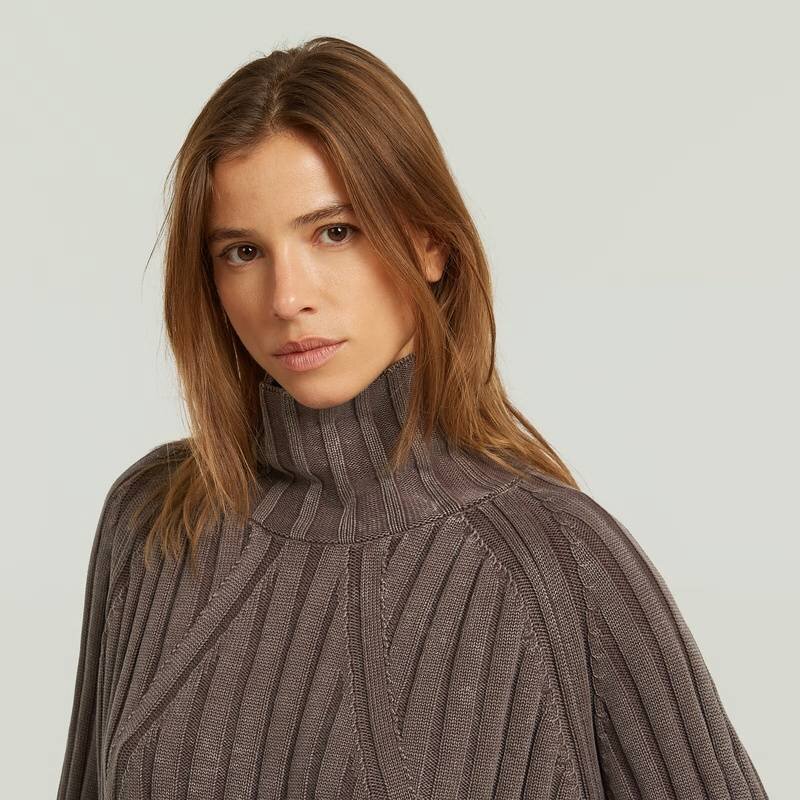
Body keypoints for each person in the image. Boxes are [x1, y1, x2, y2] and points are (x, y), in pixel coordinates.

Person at [57, 36, 769, 800]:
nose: (287, 297)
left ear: (430, 243)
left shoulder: (561, 561)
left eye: (335, 232)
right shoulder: (155, 520)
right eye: (242, 251)